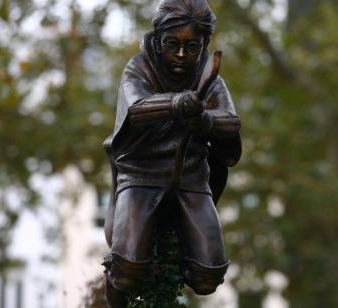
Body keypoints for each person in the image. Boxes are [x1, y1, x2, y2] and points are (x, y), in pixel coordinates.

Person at [102, 0, 241, 306]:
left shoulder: (210, 77)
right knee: (126, 273)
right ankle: (115, 285)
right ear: (158, 38)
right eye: (172, 44)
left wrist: (204, 119)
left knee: (208, 276)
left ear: (204, 45)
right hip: (141, 173)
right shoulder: (139, 67)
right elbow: (136, 109)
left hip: (191, 177)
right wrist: (177, 104)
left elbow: (231, 121)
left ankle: (172, 266)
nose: (181, 55)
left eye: (192, 47)